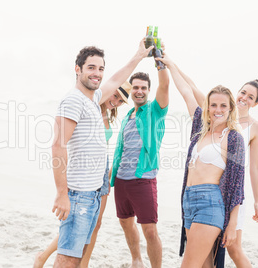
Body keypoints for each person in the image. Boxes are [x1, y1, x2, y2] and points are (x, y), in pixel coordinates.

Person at [48, 41, 152, 268]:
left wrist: (138, 56)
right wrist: (61, 193)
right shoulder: (73, 100)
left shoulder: (93, 99)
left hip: (93, 194)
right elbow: (58, 146)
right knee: (67, 258)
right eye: (91, 68)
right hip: (79, 195)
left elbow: (116, 79)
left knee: (77, 256)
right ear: (78, 69)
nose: (97, 74)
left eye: (100, 69)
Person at [156, 54, 245, 268]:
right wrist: (169, 64)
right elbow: (185, 91)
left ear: (230, 108)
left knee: (188, 265)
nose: (218, 110)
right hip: (189, 200)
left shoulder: (233, 137)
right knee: (205, 266)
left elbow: (237, 184)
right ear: (207, 107)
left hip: (211, 203)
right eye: (213, 105)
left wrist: (232, 224)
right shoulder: (199, 128)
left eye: (223, 106)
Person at [33, 81, 132, 268]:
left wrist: (111, 170)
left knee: (96, 223)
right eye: (116, 95)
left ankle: (83, 263)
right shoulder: (89, 107)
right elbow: (66, 142)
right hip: (84, 173)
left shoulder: (106, 115)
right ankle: (43, 256)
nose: (116, 101)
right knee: (78, 222)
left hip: (102, 171)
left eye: (121, 101)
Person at [180, 74, 258, 267]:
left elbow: (246, 173)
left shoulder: (243, 133)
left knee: (230, 249)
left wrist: (255, 203)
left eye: (251, 97)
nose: (245, 97)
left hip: (220, 197)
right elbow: (188, 89)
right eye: (243, 92)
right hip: (194, 198)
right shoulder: (206, 126)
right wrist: (168, 63)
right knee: (205, 261)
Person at [110, 65, 169, 267]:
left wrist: (160, 62)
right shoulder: (127, 116)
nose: (139, 91)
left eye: (143, 87)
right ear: (131, 90)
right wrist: (111, 174)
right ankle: (136, 259)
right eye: (136, 87)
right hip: (121, 181)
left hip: (143, 180)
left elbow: (165, 84)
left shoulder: (155, 111)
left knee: (150, 231)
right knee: (126, 223)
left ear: (149, 90)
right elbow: (121, 150)